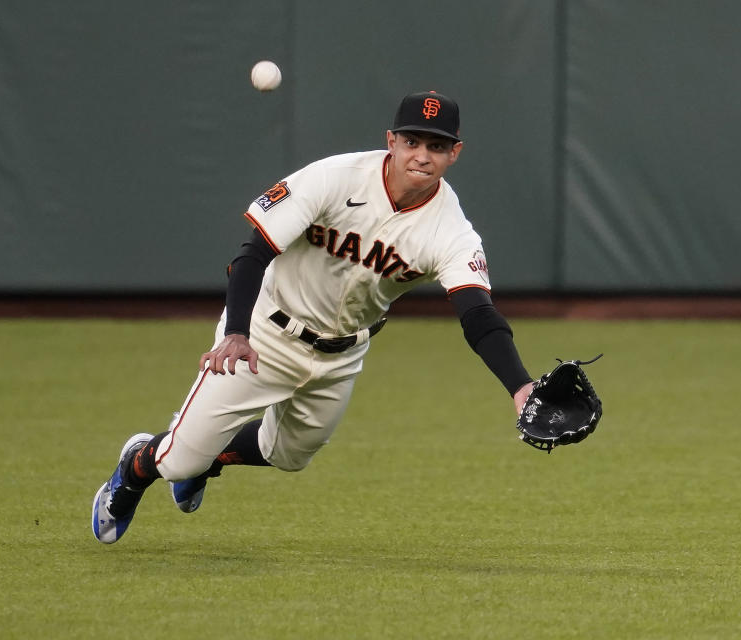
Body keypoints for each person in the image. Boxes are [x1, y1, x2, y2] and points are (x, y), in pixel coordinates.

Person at [92, 90, 535, 544]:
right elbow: (253, 255)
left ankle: (210, 458)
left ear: (454, 153)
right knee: (178, 462)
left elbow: (477, 314)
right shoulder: (334, 178)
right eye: (412, 142)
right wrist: (238, 333)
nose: (422, 156)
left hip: (342, 354)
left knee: (287, 454)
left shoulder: (451, 229)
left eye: (436, 146)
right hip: (265, 332)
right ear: (391, 141)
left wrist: (520, 385)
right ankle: (133, 470)